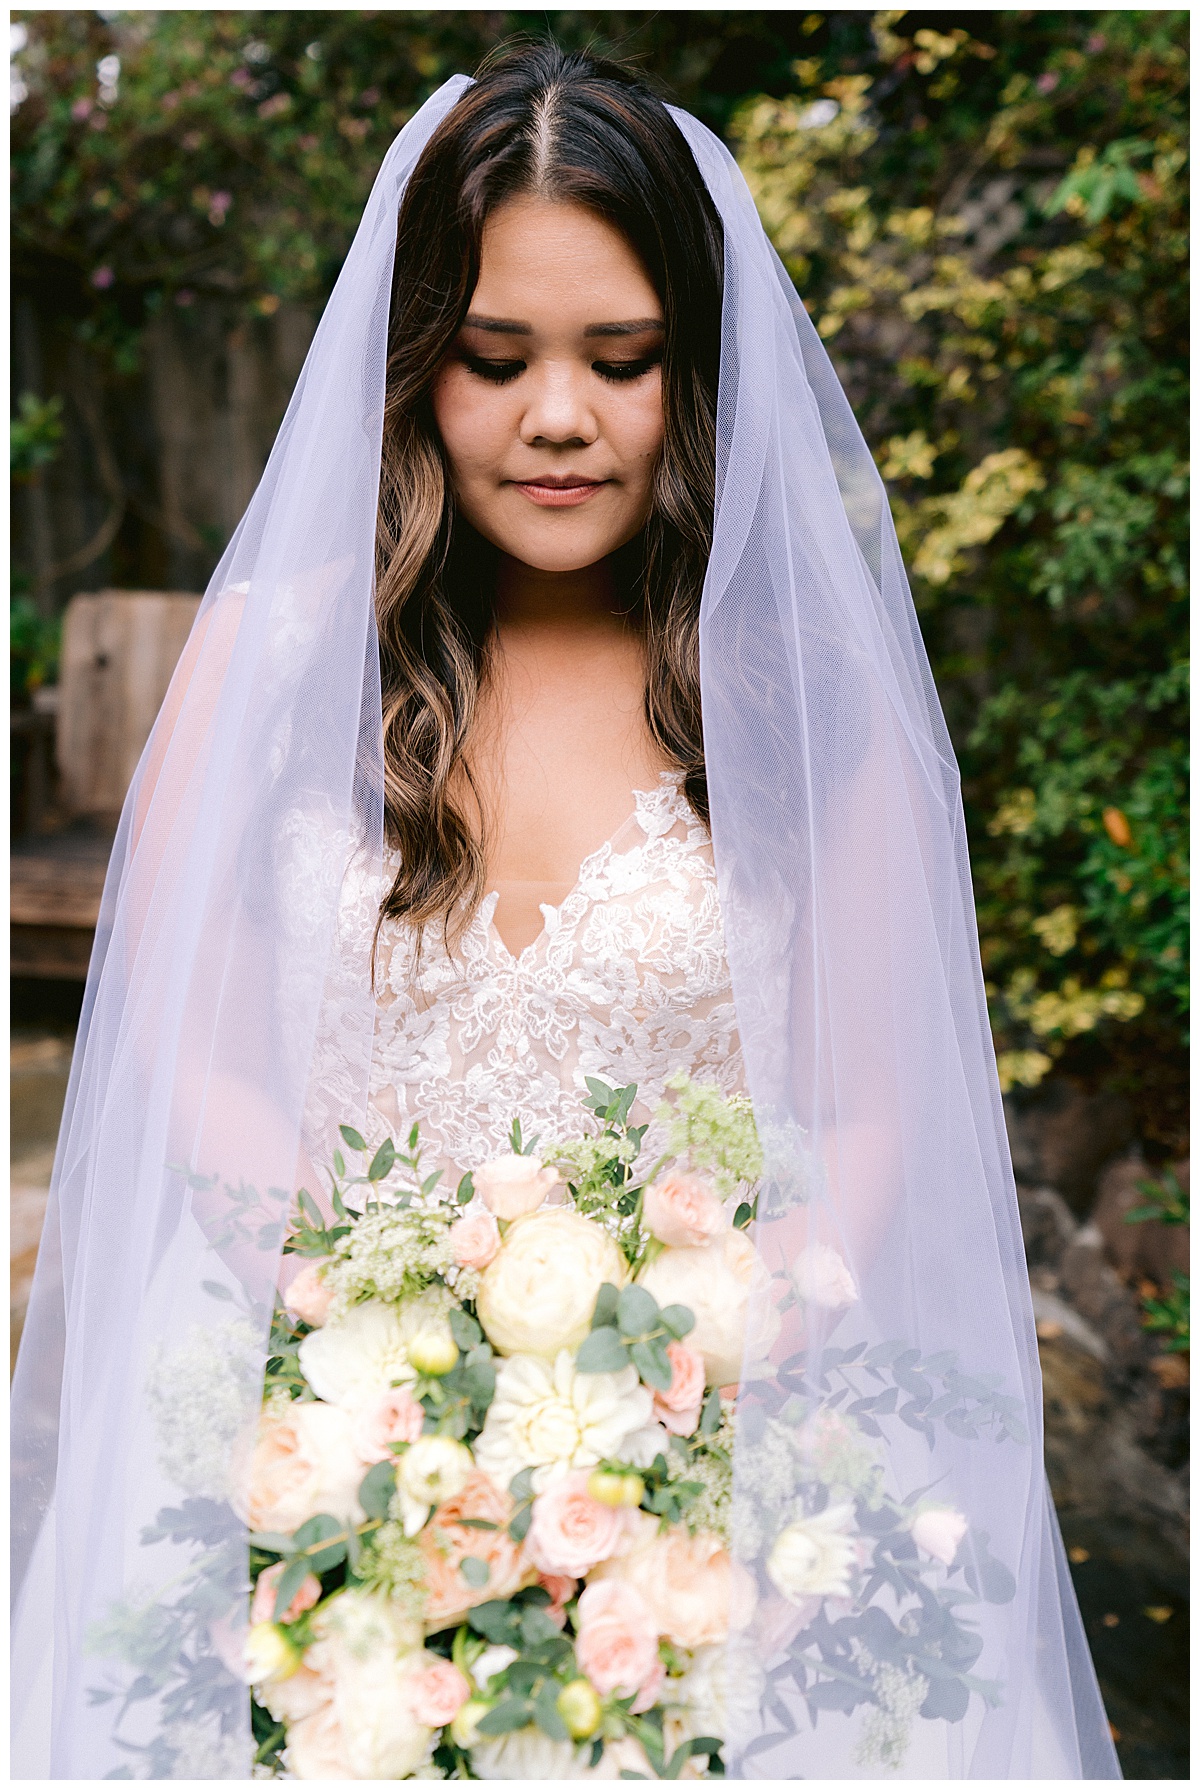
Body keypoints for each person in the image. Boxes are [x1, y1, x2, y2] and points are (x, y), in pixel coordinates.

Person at [11, 45, 1120, 1781]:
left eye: (622, 361)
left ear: (698, 360)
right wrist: (365, 1362)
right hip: (315, 1452)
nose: (557, 416)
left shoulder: (811, 706)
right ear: (411, 363)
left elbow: (880, 1108)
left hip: (725, 1464)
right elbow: (201, 1065)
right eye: (493, 357)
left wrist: (695, 1370)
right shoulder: (276, 663)